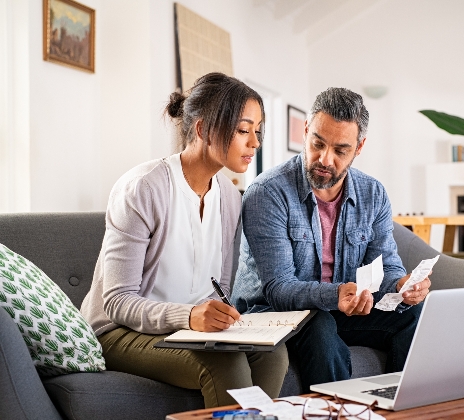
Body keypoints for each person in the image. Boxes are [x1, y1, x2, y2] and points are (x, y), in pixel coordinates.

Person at [80, 73, 288, 408]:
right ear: (204, 130)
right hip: (120, 332)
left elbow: (217, 287)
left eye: (257, 131)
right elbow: (117, 302)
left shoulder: (231, 198)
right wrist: (190, 316)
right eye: (242, 130)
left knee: (273, 354)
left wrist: (223, 318)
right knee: (226, 363)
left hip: (189, 331)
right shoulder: (143, 188)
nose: (254, 143)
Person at [232, 87, 431, 390]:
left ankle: (398, 408)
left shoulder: (373, 194)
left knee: (414, 314)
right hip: (272, 312)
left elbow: (387, 265)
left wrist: (402, 285)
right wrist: (337, 294)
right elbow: (278, 289)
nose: (325, 159)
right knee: (321, 325)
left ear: (359, 147)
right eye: (317, 143)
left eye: (340, 150)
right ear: (307, 130)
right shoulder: (268, 192)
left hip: (340, 307)